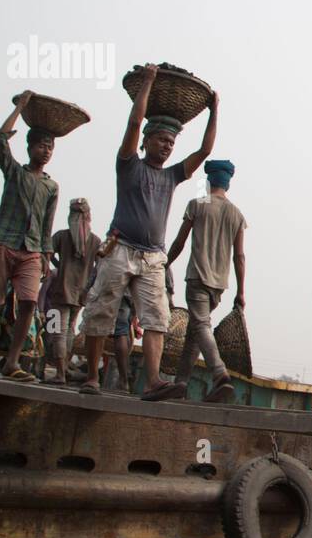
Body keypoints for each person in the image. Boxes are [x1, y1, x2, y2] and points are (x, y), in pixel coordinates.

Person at [79, 63, 217, 398]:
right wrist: (150, 82)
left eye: (171, 141)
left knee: (157, 318)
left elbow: (205, 151)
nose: (167, 146)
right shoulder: (128, 165)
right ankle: (92, 378)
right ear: (147, 141)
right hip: (120, 249)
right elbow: (133, 122)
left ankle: (153, 381)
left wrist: (215, 109)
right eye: (161, 140)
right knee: (101, 312)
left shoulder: (171, 176)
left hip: (153, 256)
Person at [0, 91, 60, 381]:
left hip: (31, 250)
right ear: (30, 147)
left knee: (28, 303)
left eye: (50, 147)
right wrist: (21, 107)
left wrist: (46, 256)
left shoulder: (51, 186)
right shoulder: (15, 172)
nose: (46, 151)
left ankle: (12, 362)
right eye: (41, 146)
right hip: (4, 243)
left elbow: (47, 225)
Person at [166, 159, 247, 402]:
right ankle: (181, 383)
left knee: (201, 326)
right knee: (194, 332)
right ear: (228, 183)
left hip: (198, 278)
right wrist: (241, 291)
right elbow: (239, 257)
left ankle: (219, 374)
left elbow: (180, 242)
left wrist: (165, 263)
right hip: (219, 285)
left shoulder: (198, 204)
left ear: (209, 180)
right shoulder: (236, 214)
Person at [43, 198, 101, 384]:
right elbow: (100, 268)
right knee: (69, 330)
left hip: (61, 291)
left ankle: (60, 373)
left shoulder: (61, 236)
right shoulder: (95, 241)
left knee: (57, 331)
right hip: (82, 293)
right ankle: (65, 368)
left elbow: (47, 254)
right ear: (88, 216)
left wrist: (59, 267)